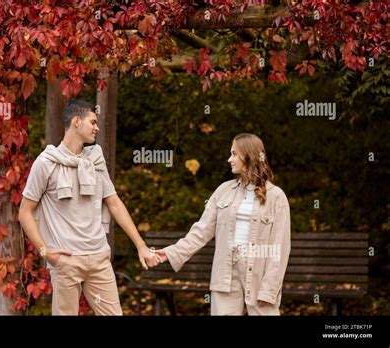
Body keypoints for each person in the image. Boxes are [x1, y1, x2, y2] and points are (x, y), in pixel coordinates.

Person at [19, 99, 158, 315]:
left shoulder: (95, 160)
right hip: (66, 261)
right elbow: (24, 212)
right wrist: (46, 253)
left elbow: (114, 202)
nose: (97, 127)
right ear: (76, 122)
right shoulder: (46, 163)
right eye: (92, 122)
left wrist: (141, 245)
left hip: (99, 257)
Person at [154, 133, 291, 315]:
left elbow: (280, 247)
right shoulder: (223, 190)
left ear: (249, 155)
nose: (229, 159)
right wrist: (170, 252)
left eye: (234, 154)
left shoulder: (276, 197)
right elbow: (201, 231)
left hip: (259, 273)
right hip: (226, 270)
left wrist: (269, 288)